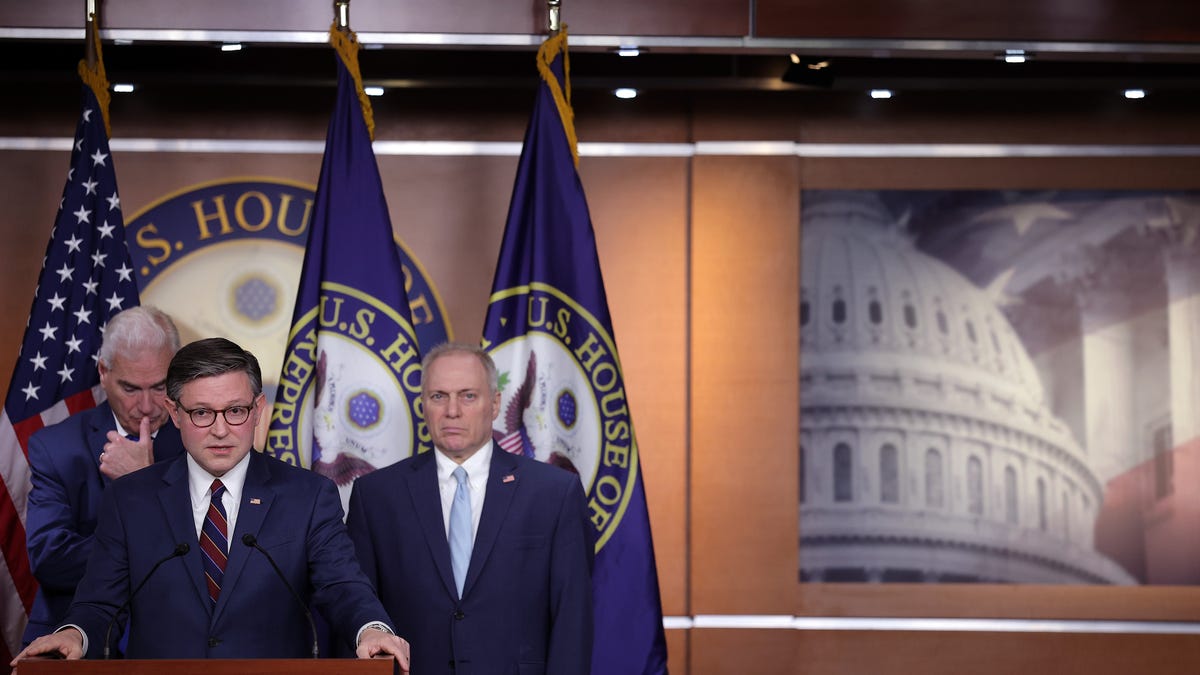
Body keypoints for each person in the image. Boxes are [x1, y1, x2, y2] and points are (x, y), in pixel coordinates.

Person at [13, 337, 410, 667]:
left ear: (257, 411)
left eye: (235, 411)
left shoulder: (307, 496)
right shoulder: (131, 498)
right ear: (175, 412)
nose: (221, 430)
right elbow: (99, 603)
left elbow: (342, 586)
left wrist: (371, 627)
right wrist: (74, 633)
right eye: (202, 412)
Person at [346, 342, 593, 674]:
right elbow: (357, 606)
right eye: (438, 396)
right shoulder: (375, 496)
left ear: (494, 404)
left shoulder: (554, 493)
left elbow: (572, 620)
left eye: (468, 396)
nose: (452, 411)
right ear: (423, 405)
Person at [22, 306, 185, 645]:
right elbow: (51, 560)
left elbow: (213, 556)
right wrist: (144, 547)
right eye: (130, 388)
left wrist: (143, 482)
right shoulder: (56, 447)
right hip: (72, 639)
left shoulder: (204, 443)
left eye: (159, 387)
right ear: (103, 372)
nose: (146, 406)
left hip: (176, 642)